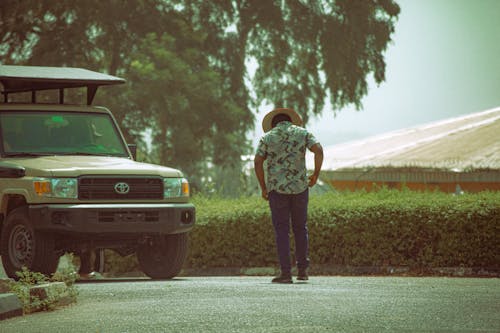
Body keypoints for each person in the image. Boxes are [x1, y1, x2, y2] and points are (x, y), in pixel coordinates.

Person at [254, 108, 323, 283]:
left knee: (282, 231)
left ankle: (286, 273)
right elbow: (318, 150)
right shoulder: (303, 133)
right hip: (300, 187)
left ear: (274, 123)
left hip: (277, 190)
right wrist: (315, 174)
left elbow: (257, 160)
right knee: (301, 228)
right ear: (291, 121)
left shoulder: (267, 137)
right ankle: (302, 271)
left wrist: (263, 187)